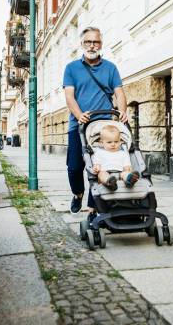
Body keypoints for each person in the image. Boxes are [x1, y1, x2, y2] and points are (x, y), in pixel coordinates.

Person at [62, 27, 128, 217]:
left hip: (103, 127)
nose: (92, 45)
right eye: (88, 42)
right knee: (74, 167)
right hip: (79, 126)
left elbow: (119, 92)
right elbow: (69, 96)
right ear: (82, 44)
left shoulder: (110, 68)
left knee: (101, 166)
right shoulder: (71, 68)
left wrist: (122, 111)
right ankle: (78, 194)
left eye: (96, 42)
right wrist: (79, 114)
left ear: (101, 43)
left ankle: (93, 207)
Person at [92, 124, 140, 191]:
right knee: (101, 174)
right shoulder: (99, 153)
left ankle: (129, 180)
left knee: (125, 173)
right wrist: (96, 168)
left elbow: (127, 166)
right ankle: (109, 183)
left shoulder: (123, 153)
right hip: (106, 172)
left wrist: (128, 171)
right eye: (109, 142)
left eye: (116, 141)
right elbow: (97, 164)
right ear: (102, 143)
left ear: (120, 142)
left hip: (120, 173)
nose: (113, 144)